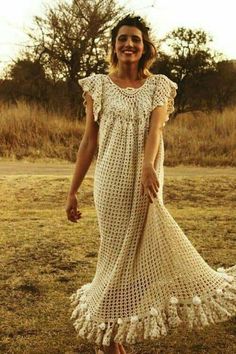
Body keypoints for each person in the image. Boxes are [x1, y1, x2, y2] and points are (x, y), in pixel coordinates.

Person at [66, 14, 236, 354]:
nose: (129, 44)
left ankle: (117, 323)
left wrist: (147, 167)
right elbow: (89, 142)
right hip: (111, 182)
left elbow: (155, 130)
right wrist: (72, 190)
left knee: (143, 256)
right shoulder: (97, 86)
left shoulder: (159, 85)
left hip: (147, 180)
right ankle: (111, 336)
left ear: (145, 47)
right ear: (114, 46)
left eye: (136, 39)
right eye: (123, 39)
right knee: (115, 256)